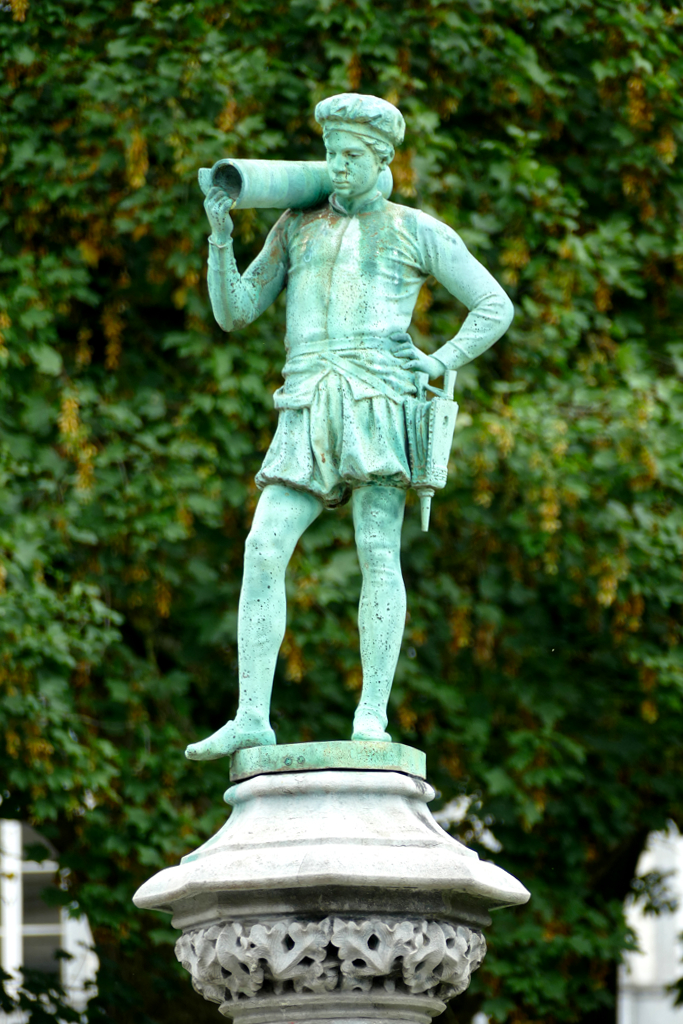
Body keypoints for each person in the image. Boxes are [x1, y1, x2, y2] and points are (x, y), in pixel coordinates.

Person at [185, 93, 513, 760]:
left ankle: (372, 714)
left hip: (378, 402)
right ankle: (251, 714)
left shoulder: (413, 229)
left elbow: (491, 304)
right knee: (262, 546)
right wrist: (221, 234)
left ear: (382, 158)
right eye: (330, 153)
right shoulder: (296, 225)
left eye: (351, 156)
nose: (336, 167)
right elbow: (236, 311)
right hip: (307, 399)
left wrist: (436, 361)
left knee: (375, 551)